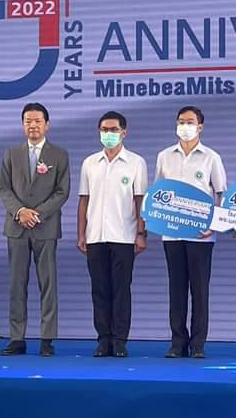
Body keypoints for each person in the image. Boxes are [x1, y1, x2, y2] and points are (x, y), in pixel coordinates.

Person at [0, 103, 70, 357]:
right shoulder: (11, 154)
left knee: (48, 284)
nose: (33, 125)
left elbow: (62, 191)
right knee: (16, 284)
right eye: (28, 121)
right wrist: (20, 211)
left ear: (47, 124)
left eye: (37, 121)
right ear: (22, 125)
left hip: (45, 227)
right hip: (16, 227)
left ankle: (47, 338)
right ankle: (17, 338)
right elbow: (3, 188)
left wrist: (36, 213)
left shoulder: (59, 155)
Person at [154, 106, 227, 358]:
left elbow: (221, 193)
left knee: (199, 290)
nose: (184, 126)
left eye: (190, 122)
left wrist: (213, 225)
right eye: (181, 122)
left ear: (200, 127)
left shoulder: (211, 157)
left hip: (201, 235)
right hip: (172, 233)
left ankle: (197, 344)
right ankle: (177, 342)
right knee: (176, 290)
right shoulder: (164, 156)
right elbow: (158, 193)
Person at [77, 111, 148, 358]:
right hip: (95, 235)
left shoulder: (136, 162)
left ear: (123, 133)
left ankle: (119, 340)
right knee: (99, 290)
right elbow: (84, 201)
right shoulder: (89, 163)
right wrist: (81, 233)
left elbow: (140, 201)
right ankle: (103, 339)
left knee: (121, 290)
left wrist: (141, 233)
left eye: (113, 130)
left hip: (124, 236)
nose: (108, 134)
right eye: (104, 130)